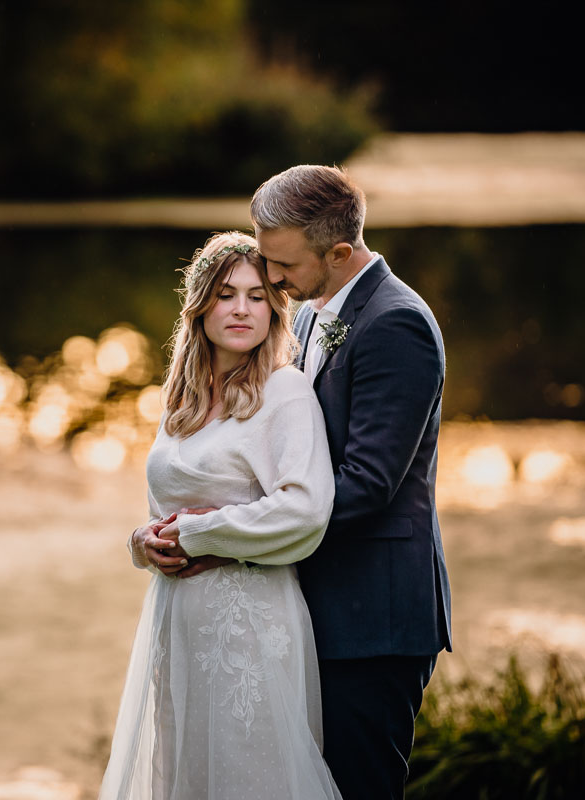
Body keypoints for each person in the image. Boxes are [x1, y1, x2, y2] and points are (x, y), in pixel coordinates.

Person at [191, 164, 449, 800]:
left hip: (373, 616)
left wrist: (234, 536)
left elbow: (366, 483)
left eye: (282, 265)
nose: (271, 279)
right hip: (315, 605)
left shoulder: (397, 324)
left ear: (338, 252)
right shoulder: (310, 314)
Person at [98, 232, 342, 800]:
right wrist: (142, 542)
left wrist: (201, 533)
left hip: (248, 625)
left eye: (257, 296)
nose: (240, 309)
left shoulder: (286, 392)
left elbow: (305, 511)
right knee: (184, 777)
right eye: (226, 294)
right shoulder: (180, 400)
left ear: (274, 308)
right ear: (200, 304)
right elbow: (165, 509)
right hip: (177, 620)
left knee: (252, 778)